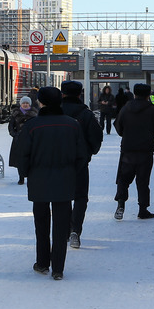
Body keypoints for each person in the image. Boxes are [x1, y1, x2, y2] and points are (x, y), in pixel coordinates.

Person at [13, 86, 89, 280]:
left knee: (41, 223)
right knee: (62, 225)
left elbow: (22, 155)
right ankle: (58, 269)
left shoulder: (32, 125)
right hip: (65, 182)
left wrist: (28, 173)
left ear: (41, 102)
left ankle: (42, 263)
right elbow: (83, 155)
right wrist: (72, 172)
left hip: (39, 182)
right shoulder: (72, 125)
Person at [60, 81, 103, 248]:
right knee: (80, 197)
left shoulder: (55, 112)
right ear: (80, 94)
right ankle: (75, 230)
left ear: (62, 94)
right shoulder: (86, 114)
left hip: (58, 163)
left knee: (61, 198)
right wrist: (88, 153)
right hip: (79, 162)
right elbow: (96, 137)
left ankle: (63, 231)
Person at [113, 83, 154, 221]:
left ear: (134, 94)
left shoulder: (125, 108)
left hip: (127, 150)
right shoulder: (153, 110)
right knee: (143, 181)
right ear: (148, 95)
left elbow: (118, 128)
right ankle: (143, 210)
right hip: (145, 151)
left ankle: (120, 205)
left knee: (123, 179)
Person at [7, 96, 37, 184]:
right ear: (21, 104)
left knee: (30, 159)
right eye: (23, 103)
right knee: (19, 159)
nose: (25, 104)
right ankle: (21, 178)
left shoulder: (34, 114)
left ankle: (31, 177)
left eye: (27, 103)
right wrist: (14, 134)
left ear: (30, 104)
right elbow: (11, 126)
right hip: (18, 139)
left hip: (30, 139)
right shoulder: (15, 113)